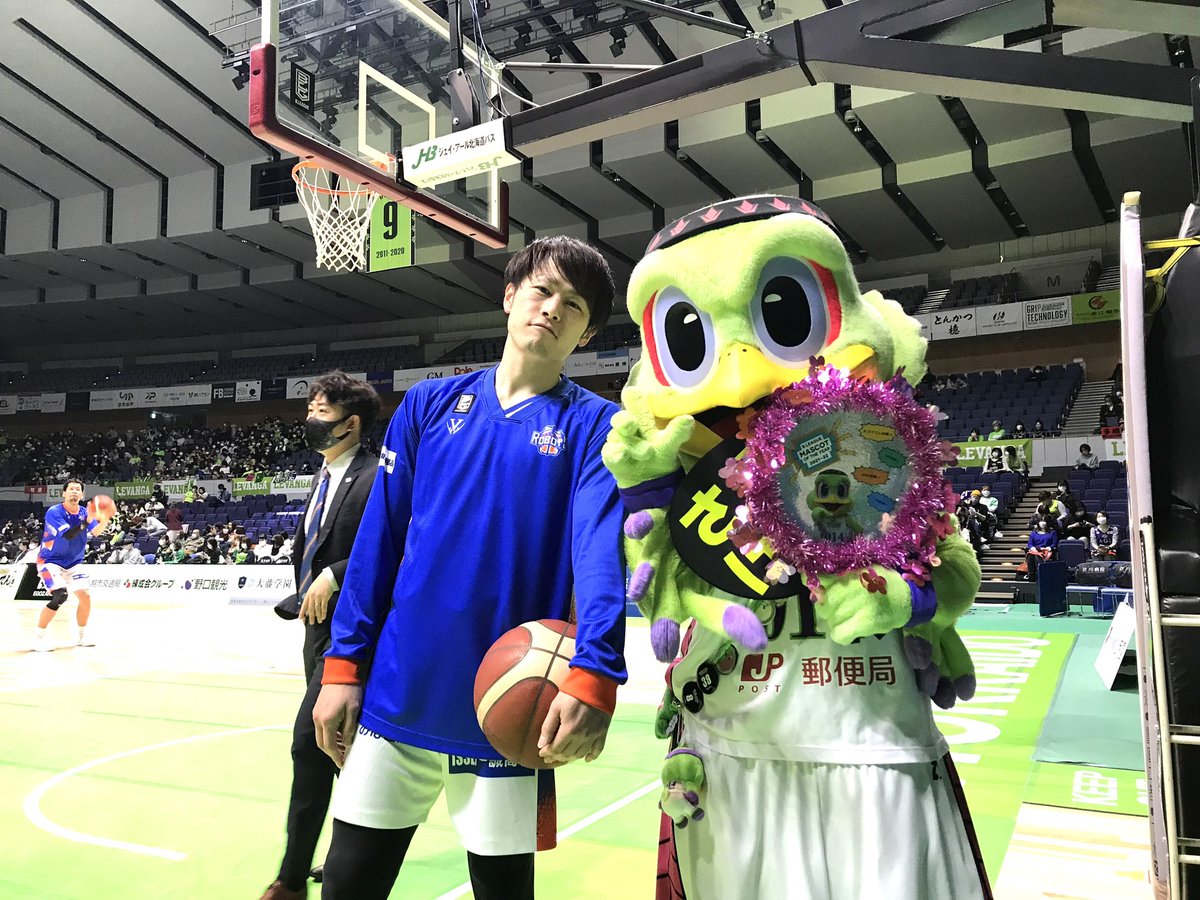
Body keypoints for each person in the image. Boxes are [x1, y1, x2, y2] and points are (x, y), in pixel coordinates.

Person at [312, 236, 627, 900]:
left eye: (573, 305)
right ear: (510, 297)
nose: (552, 308)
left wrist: (596, 672)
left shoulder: (599, 426)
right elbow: (377, 545)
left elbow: (599, 557)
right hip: (398, 693)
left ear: (588, 333)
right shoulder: (427, 406)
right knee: (346, 884)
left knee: (502, 892)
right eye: (542, 290)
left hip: (511, 704)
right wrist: (342, 666)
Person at [260, 372, 382, 900]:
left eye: (321, 412)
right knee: (343, 748)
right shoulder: (322, 477)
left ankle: (290, 880)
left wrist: (336, 572)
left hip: (355, 632)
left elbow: (396, 548)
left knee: (309, 744)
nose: (310, 419)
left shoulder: (377, 476)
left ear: (351, 424)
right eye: (310, 410)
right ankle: (345, 858)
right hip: (316, 631)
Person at [30, 479, 112, 651]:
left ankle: (82, 636)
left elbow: (96, 532)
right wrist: (88, 520)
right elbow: (68, 535)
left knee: (85, 596)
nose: (74, 491)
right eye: (71, 489)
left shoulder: (84, 512)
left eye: (77, 489)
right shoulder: (54, 512)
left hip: (74, 562)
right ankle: (37, 638)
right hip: (49, 561)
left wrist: (104, 518)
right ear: (64, 493)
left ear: (82, 495)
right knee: (60, 595)